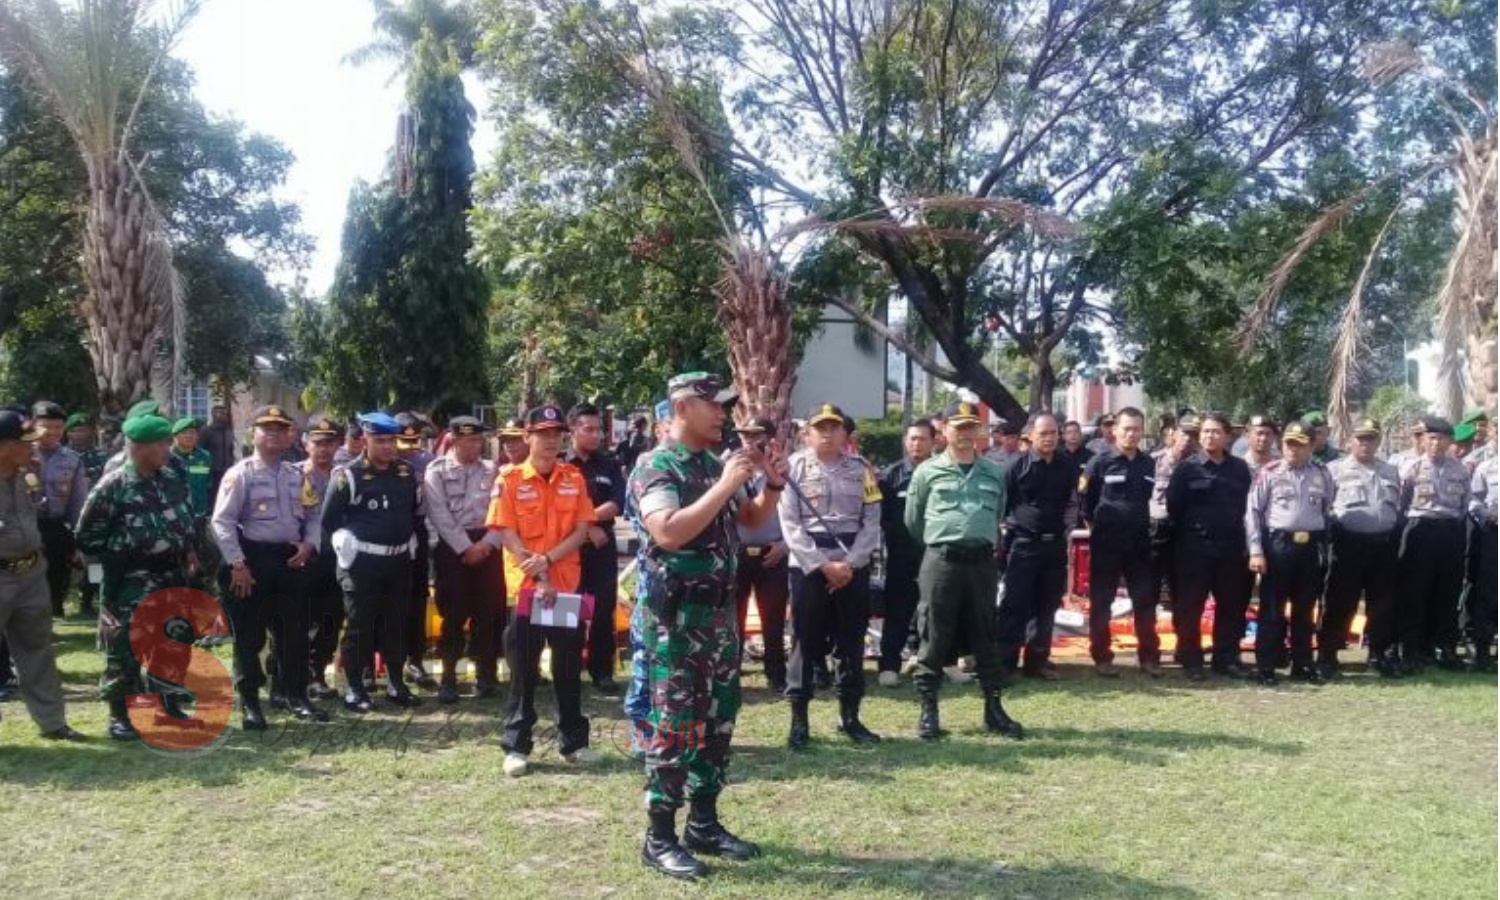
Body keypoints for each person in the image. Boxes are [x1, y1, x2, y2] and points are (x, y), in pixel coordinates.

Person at [630, 372, 787, 880]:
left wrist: (773, 483)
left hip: (719, 618)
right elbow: (668, 532)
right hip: (675, 623)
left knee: (719, 721)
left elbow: (751, 519)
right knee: (675, 726)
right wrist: (725, 484)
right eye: (714, 405)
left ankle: (704, 822)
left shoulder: (710, 464)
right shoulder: (657, 465)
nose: (724, 414)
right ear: (681, 407)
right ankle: (659, 837)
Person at [488, 403, 597, 776]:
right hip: (526, 590)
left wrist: (548, 562)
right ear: (527, 437)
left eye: (556, 434)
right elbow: (505, 531)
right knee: (524, 669)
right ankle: (516, 746)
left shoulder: (574, 478)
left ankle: (574, 743)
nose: (551, 441)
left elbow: (582, 530)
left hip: (565, 588)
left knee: (568, 666)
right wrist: (538, 573)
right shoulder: (510, 480)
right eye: (543, 434)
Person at [75, 413, 199, 740]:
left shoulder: (172, 477)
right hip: (130, 579)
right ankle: (121, 715)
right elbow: (87, 535)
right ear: (139, 447)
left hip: (172, 575)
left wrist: (187, 549)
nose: (167, 449)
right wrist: (121, 552)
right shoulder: (113, 486)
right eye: (161, 444)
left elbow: (186, 519)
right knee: (125, 647)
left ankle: (168, 704)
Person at [905, 401, 1023, 741]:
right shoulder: (927, 471)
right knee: (934, 635)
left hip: (982, 563)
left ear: (980, 431)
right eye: (958, 426)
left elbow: (998, 511)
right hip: (942, 561)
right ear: (944, 430)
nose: (965, 433)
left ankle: (994, 709)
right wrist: (943, 541)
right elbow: (914, 521)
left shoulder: (993, 472)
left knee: (986, 634)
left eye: (971, 426)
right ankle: (929, 710)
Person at [211, 405, 326, 728]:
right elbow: (222, 522)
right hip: (252, 561)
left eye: (281, 428)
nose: (274, 433)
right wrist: (237, 563)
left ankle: (296, 695)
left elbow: (314, 515)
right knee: (250, 636)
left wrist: (309, 544)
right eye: (267, 428)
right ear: (254, 434)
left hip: (290, 560)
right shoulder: (241, 473)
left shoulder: (297, 475)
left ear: (290, 435)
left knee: (295, 632)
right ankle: (250, 703)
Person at [779, 402, 883, 748]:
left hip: (852, 565)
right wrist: (822, 565)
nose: (826, 433)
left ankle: (850, 717)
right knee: (804, 643)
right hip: (810, 567)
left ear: (844, 433)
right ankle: (799, 721)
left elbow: (872, 521)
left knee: (851, 642)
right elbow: (790, 525)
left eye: (833, 427)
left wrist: (850, 564)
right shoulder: (791, 469)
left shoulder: (862, 469)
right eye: (819, 428)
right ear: (806, 434)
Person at [319, 412, 424, 712]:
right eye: (381, 440)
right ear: (365, 439)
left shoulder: (405, 472)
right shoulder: (347, 476)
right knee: (359, 627)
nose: (388, 447)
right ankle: (355, 688)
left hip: (398, 562)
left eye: (392, 440)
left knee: (396, 625)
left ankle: (395, 684)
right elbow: (329, 522)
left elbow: (413, 514)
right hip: (361, 563)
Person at [0, 410, 86, 741]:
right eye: (25, 443)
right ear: (4, 446)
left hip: (31, 572)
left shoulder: (27, 474)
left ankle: (52, 723)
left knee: (38, 649)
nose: (33, 448)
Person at [1245, 421, 1334, 686]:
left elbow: (1327, 509)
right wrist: (1256, 550)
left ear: (1311, 445)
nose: (1293, 450)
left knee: (1305, 608)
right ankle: (1267, 666)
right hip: (1278, 546)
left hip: (1309, 548)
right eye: (1288, 444)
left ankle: (1303, 663)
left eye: (1299, 444)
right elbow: (1253, 513)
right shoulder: (1269, 472)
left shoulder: (1322, 473)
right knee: (1272, 608)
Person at [1167, 411, 1253, 681]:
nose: (1209, 436)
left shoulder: (1239, 469)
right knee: (1190, 606)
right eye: (1205, 431)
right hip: (1194, 549)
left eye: (1216, 431)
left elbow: (1247, 507)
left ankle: (1225, 659)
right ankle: (1191, 659)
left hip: (1230, 549)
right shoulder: (1187, 468)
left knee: (1231, 605)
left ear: (1228, 436)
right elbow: (1174, 507)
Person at [424, 416, 503, 704]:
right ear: (454, 440)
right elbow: (439, 515)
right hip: (452, 549)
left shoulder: (493, 470)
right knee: (453, 615)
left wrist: (486, 544)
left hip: (487, 544)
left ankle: (485, 675)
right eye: (467, 440)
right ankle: (448, 677)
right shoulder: (437, 471)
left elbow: (502, 511)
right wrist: (465, 548)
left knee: (488, 613)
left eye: (477, 440)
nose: (474, 446)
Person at [995, 412, 1078, 680]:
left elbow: (1072, 503)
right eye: (1044, 433)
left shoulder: (1067, 466)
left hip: (1054, 546)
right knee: (1015, 605)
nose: (1050, 438)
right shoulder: (1014, 467)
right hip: (1023, 545)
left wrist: (1066, 530)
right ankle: (1006, 663)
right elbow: (1000, 507)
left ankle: (1037, 662)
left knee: (1047, 606)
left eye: (1054, 433)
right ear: (1029, 436)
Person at [1080, 407, 1160, 677]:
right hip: (1107, 543)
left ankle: (1149, 657)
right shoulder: (1099, 462)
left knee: (1145, 601)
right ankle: (1102, 656)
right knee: (1102, 602)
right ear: (1114, 430)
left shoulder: (1148, 463)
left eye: (1137, 429)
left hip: (1139, 543)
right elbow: (1085, 503)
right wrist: (1097, 529)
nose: (1132, 434)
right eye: (1127, 428)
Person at [1321, 418, 1403, 678]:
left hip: (1384, 545)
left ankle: (1380, 654)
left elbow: (1398, 506)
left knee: (1382, 603)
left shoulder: (1390, 471)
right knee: (1340, 602)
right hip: (1348, 545)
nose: (1365, 443)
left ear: (1378, 441)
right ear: (1349, 441)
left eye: (1371, 438)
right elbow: (1323, 508)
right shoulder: (1333, 470)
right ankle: (1329, 655)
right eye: (1360, 438)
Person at [1396, 416, 1470, 672]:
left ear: (1450, 441)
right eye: (1432, 438)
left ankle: (1444, 648)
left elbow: (1464, 505)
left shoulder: (1460, 469)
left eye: (1441, 438)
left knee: (1447, 592)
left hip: (1449, 531)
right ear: (1424, 440)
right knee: (1415, 592)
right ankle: (1412, 650)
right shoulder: (1412, 468)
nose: (1436, 443)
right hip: (1420, 530)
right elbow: (1401, 504)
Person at [565, 402, 627, 695]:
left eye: (598, 429)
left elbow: (618, 502)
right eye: (588, 429)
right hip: (569, 548)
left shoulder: (609, 464)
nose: (595, 435)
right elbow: (560, 508)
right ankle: (568, 668)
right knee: (570, 609)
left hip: (603, 546)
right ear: (572, 431)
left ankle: (602, 671)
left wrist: (587, 519)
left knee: (603, 609)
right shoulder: (561, 465)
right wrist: (586, 526)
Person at [731, 417, 790, 694]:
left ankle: (776, 673)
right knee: (734, 617)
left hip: (773, 552)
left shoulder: (783, 469)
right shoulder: (728, 467)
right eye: (743, 436)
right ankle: (730, 672)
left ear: (769, 438)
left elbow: (796, 515)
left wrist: (785, 544)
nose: (748, 441)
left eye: (755, 436)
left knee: (774, 618)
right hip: (738, 553)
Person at [876, 419, 934, 687]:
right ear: (905, 442)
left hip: (935, 554)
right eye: (912, 438)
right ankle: (889, 664)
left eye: (922, 438)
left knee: (936, 610)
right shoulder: (890, 476)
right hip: (901, 555)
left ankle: (937, 662)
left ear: (933, 442)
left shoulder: (943, 472)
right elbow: (881, 517)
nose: (917, 444)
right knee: (897, 610)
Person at [300, 416, 345, 700]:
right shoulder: (294, 475)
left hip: (337, 559)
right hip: (304, 559)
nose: (324, 449)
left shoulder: (346, 476)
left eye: (329, 443)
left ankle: (317, 674)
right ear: (306, 444)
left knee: (332, 618)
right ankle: (292, 674)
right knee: (301, 619)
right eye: (318, 443)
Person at [395, 412, 439, 691]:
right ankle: (371, 665)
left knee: (417, 599)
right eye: (403, 440)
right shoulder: (381, 460)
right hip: (387, 531)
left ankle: (415, 659)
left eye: (413, 440)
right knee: (383, 599)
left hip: (418, 530)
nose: (409, 447)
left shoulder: (426, 461)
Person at [30, 401, 87, 616]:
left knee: (56, 577)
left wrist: (77, 535)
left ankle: (51, 617)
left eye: (57, 427)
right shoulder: (21, 454)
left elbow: (77, 501)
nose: (52, 432)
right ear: (33, 424)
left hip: (56, 527)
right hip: (26, 526)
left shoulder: (72, 459)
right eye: (46, 426)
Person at [1149, 415, 1198, 617]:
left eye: (1193, 434)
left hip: (1186, 533)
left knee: (1184, 589)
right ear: (1174, 433)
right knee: (1150, 586)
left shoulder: (1201, 464)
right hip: (1156, 529)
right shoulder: (1153, 460)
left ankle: (1184, 641)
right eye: (1185, 433)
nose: (1188, 438)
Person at [1466, 451, 1497, 671]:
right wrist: (1488, 515)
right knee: (1489, 592)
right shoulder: (1487, 467)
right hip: (1493, 534)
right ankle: (1483, 652)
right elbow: (1473, 499)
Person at [199, 403, 238, 499]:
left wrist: (232, 464)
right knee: (212, 498)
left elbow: (230, 450)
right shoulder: (206, 431)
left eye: (226, 414)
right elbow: (200, 451)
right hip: (211, 472)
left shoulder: (228, 431)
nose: (225, 416)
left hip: (227, 471)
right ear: (214, 415)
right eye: (222, 413)